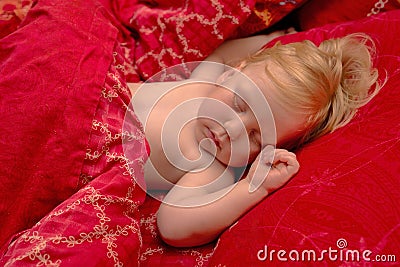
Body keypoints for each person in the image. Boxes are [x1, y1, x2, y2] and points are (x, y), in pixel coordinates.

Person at [127, 31, 380, 247]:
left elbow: (172, 226)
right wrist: (272, 38)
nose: (232, 129)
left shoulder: (212, 166)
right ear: (230, 74)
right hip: (92, 91)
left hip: (92, 146)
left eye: (255, 137)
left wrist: (254, 187)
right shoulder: (204, 82)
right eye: (239, 105)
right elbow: (223, 54)